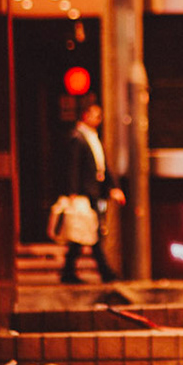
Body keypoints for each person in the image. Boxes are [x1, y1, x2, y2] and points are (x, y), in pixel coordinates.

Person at [58, 96, 125, 285]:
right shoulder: (77, 138)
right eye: (95, 115)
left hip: (94, 191)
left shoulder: (92, 137)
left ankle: (70, 270)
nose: (98, 119)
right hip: (84, 193)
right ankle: (103, 271)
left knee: (86, 233)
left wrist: (112, 188)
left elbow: (102, 166)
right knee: (89, 232)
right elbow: (73, 166)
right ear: (85, 115)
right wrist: (72, 192)